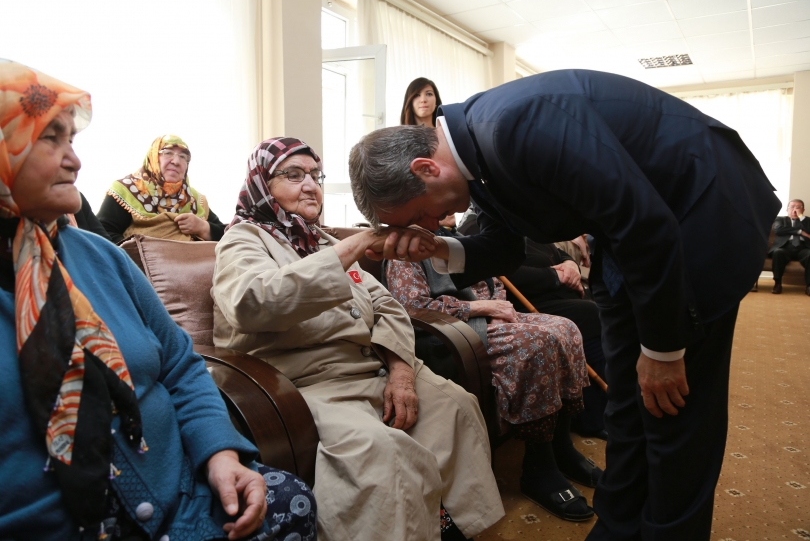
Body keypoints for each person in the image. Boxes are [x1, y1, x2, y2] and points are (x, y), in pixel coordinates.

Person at [348, 69, 781, 541]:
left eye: (417, 217)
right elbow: (505, 248)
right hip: (632, 237)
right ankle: (618, 528)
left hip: (700, 212)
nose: (431, 224)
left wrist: (662, 351)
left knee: (676, 412)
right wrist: (437, 248)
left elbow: (648, 225)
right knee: (627, 404)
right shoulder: (473, 150)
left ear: (425, 170)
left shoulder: (516, 125)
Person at [0, 60, 316, 541]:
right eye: (50, 139)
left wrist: (220, 455)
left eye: (72, 140)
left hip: (186, 500)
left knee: (291, 498)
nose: (76, 161)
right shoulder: (125, 201)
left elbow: (181, 366)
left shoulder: (100, 258)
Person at [211, 137, 504, 541]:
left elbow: (388, 307)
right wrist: (361, 242)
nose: (311, 185)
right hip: (306, 385)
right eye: (293, 175)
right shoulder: (244, 239)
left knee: (456, 406)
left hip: (375, 370)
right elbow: (252, 303)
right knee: (382, 452)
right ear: (263, 184)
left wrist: (401, 369)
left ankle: (447, 523)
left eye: (315, 175)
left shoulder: (324, 242)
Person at [385, 216, 599, 522]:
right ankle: (540, 467)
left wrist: (497, 307)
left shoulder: (455, 239)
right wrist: (481, 308)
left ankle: (562, 447)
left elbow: (494, 283)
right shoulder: (404, 248)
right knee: (535, 344)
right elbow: (408, 306)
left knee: (566, 328)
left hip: (489, 321)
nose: (449, 210)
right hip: (452, 333)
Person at [460, 213, 607, 438]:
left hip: (556, 294)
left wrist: (569, 264)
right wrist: (555, 277)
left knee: (595, 308)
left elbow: (558, 252)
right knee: (592, 315)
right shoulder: (476, 225)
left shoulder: (524, 219)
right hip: (528, 300)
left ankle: (600, 408)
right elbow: (502, 271)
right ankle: (593, 417)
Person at [97, 135, 226, 244]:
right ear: (153, 157)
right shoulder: (128, 190)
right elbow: (102, 234)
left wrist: (203, 228)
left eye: (183, 157)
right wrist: (140, 252)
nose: (176, 161)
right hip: (139, 270)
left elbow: (228, 236)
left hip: (192, 271)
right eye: (168, 153)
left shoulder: (194, 199)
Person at [769, 199, 810, 295]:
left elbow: (808, 230)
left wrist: (800, 217)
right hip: (785, 247)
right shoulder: (780, 219)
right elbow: (778, 229)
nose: (795, 209)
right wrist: (800, 232)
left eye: (798, 207)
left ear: (803, 210)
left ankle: (809, 286)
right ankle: (778, 284)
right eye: (792, 207)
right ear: (787, 210)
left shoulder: (807, 220)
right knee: (778, 252)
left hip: (803, 248)